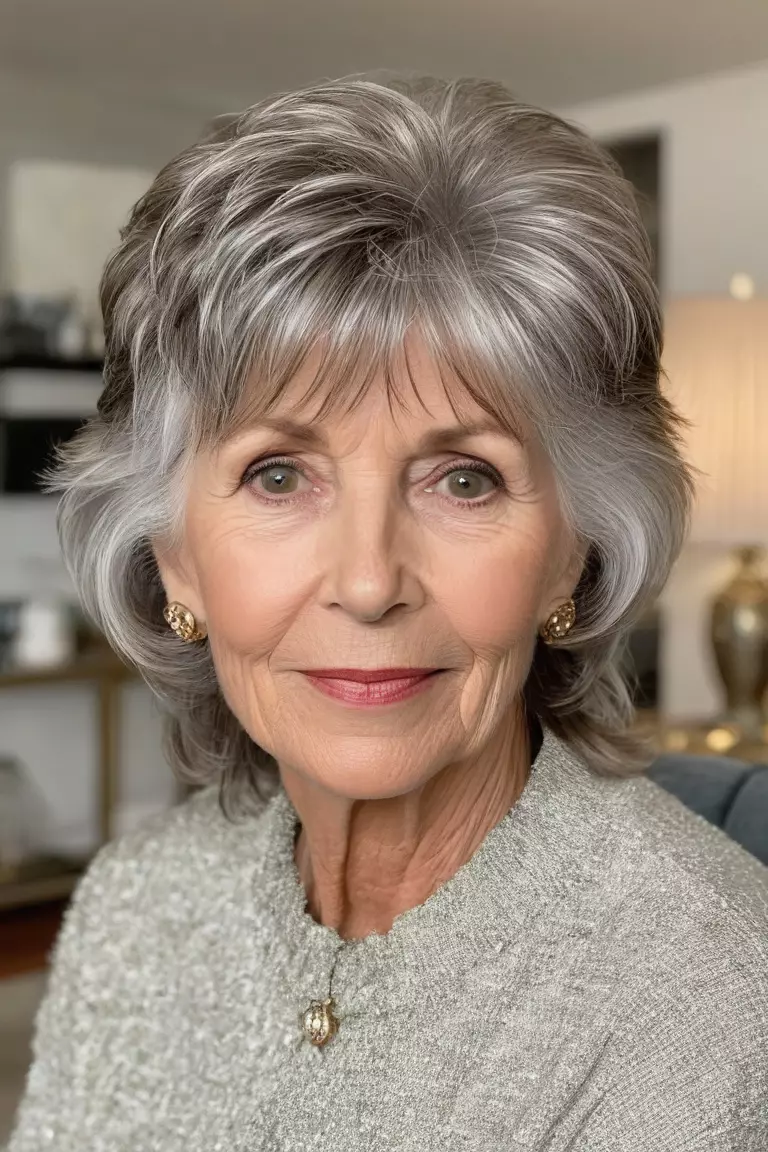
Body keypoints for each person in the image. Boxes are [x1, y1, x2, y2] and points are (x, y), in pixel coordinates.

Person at [9, 71, 768, 1152]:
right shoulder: (139, 908)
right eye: (279, 476)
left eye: (464, 478)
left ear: (575, 555)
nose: (369, 582)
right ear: (172, 557)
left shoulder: (709, 991)